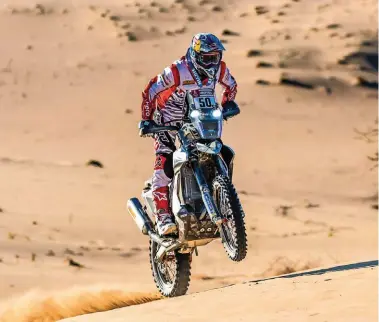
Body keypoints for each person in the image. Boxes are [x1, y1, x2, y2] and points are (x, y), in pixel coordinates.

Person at [139, 33, 238, 236]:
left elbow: (232, 85)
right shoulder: (177, 71)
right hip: (168, 119)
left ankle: (224, 198)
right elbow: (150, 90)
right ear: (195, 55)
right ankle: (163, 217)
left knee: (223, 152)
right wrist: (147, 119)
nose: (211, 62)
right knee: (164, 164)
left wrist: (228, 102)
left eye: (215, 57)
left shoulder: (219, 69)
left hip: (200, 118)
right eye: (207, 58)